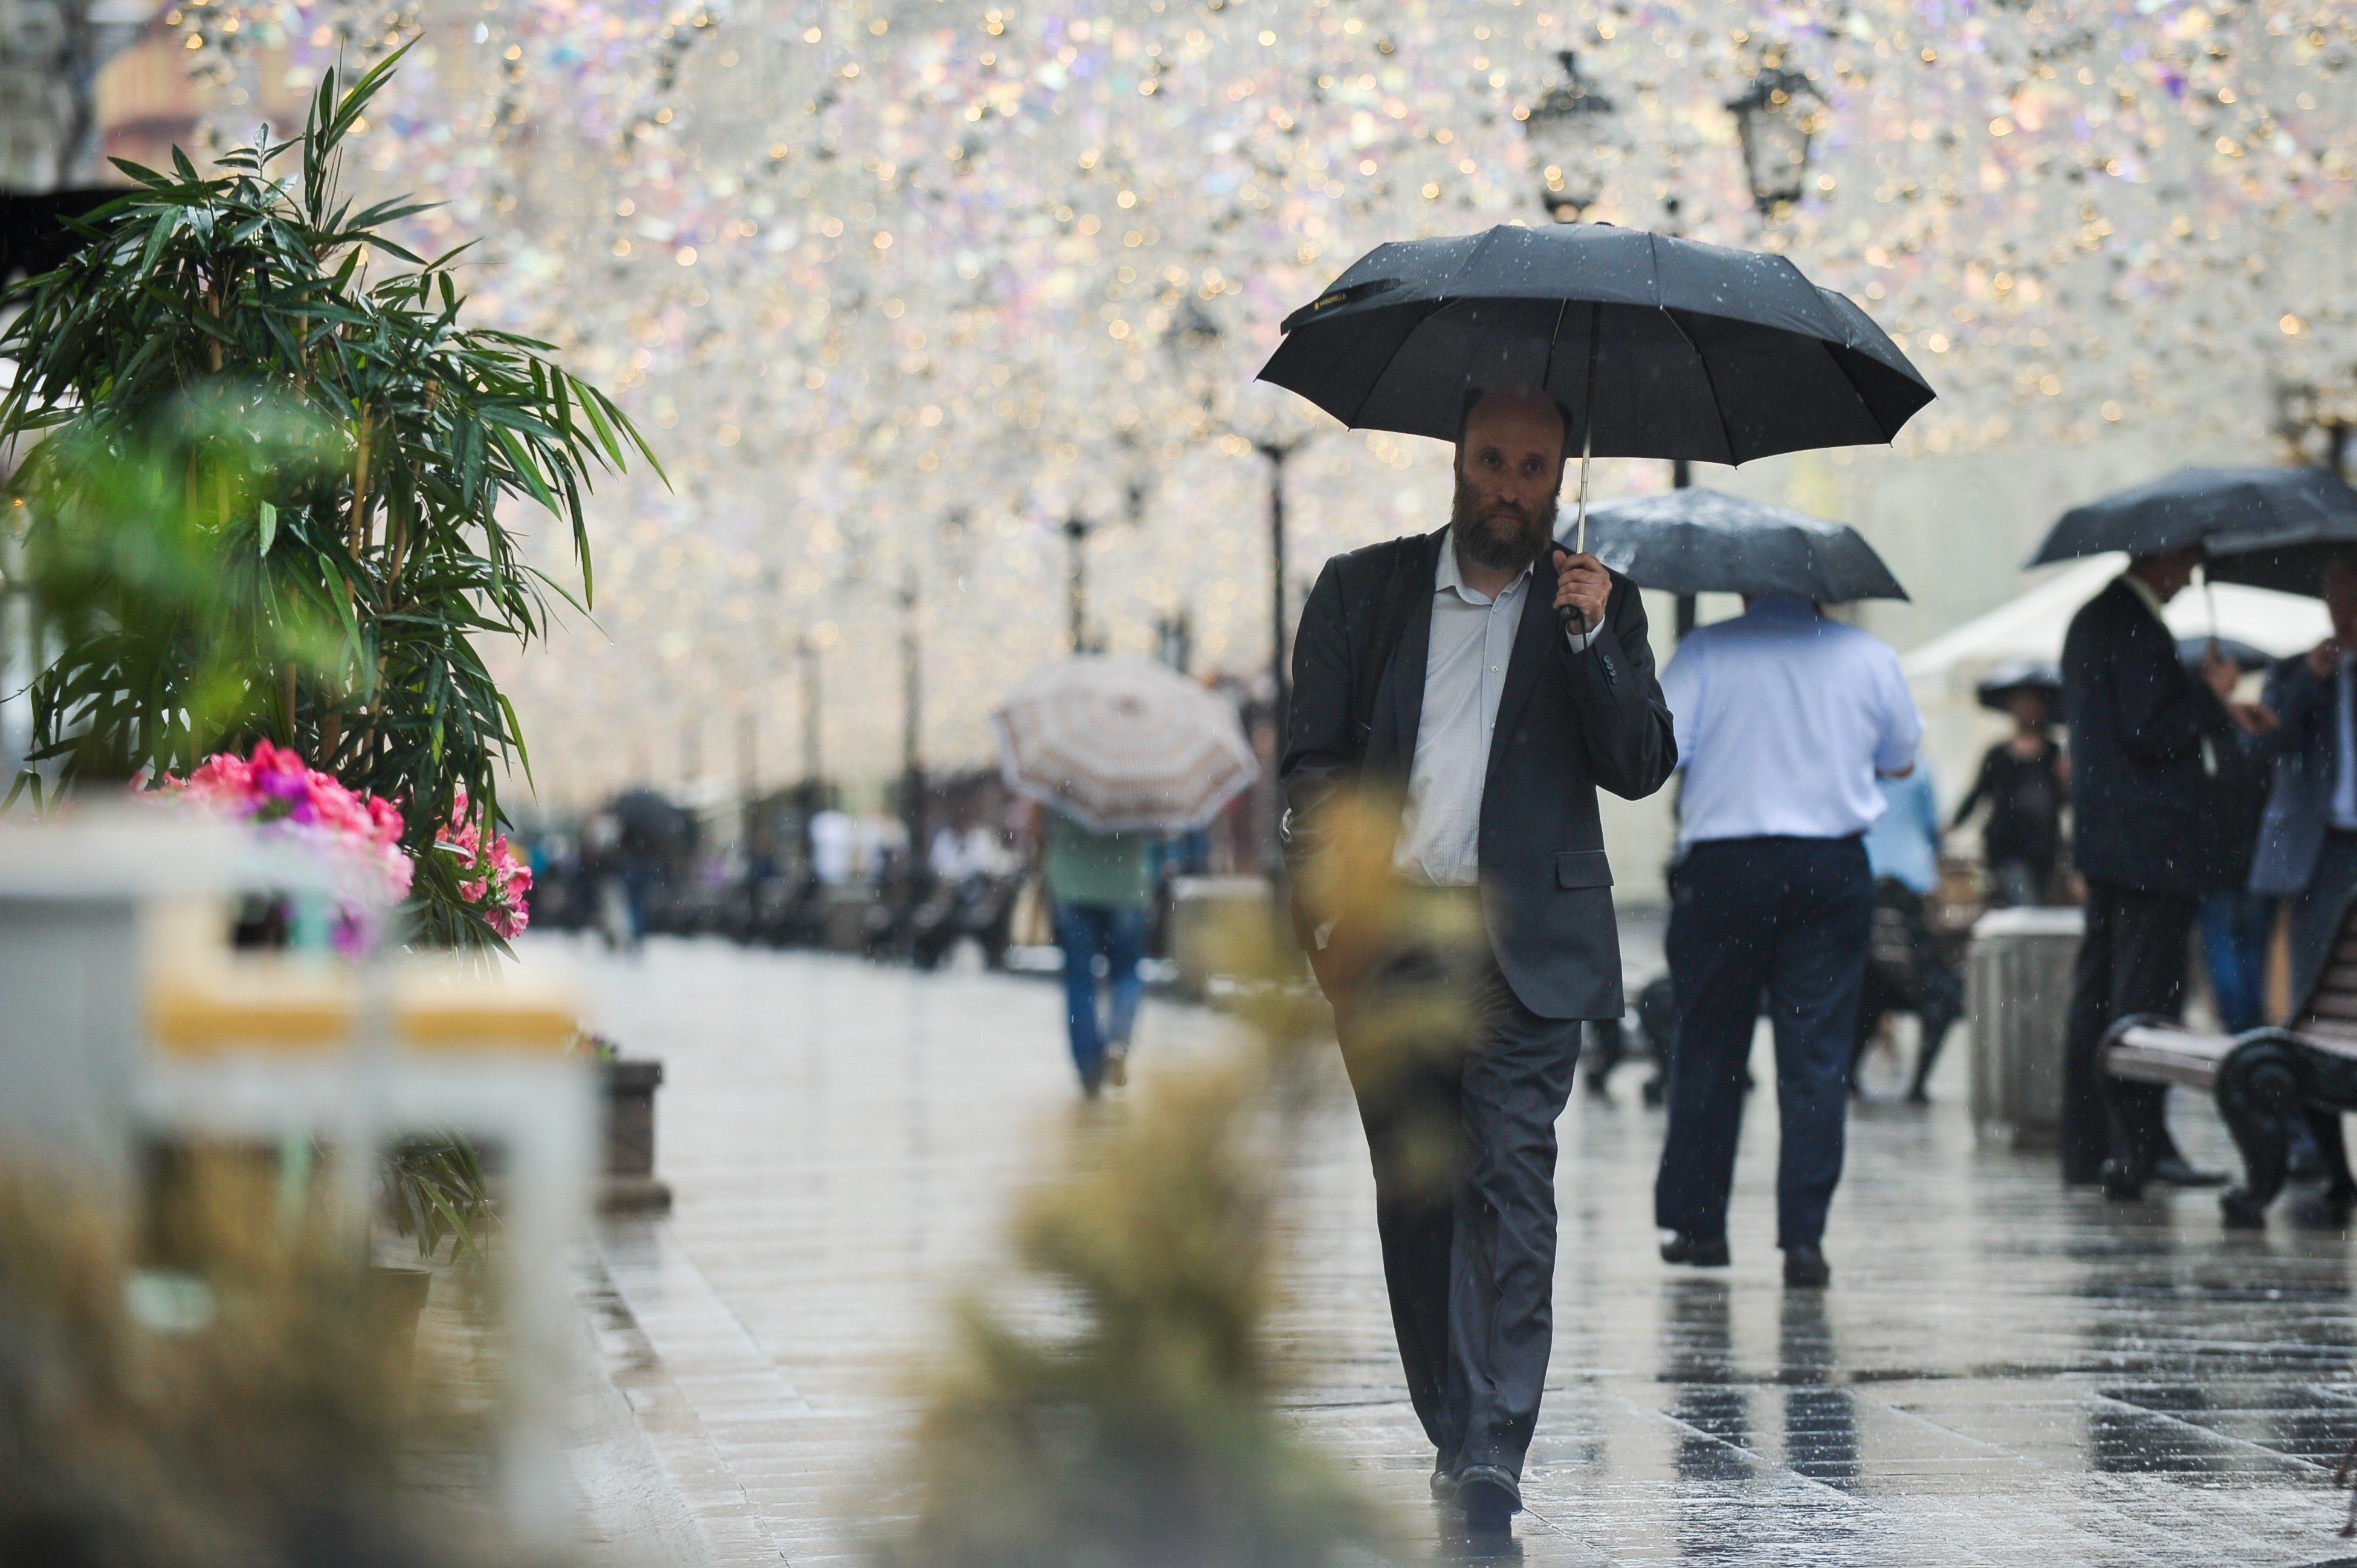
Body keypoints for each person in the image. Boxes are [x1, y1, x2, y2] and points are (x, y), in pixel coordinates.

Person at [1282, 384, 1674, 1535]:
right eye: (1492, 461)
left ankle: (1494, 1444)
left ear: (1563, 479)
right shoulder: (1364, 592)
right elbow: (1310, 762)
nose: (1509, 486)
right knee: (1421, 1197)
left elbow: (1642, 763)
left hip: (1525, 950)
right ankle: (1456, 1424)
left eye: (1533, 468)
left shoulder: (1596, 604)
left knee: (1510, 1179)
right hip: (1390, 937)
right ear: (1457, 461)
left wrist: (1597, 639)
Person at [1651, 596, 1922, 1289]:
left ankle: (1699, 1225)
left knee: (1710, 1044)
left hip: (1725, 866)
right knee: (1817, 1055)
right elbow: (1901, 758)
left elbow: (1662, 746)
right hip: (1830, 867)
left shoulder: (1709, 651)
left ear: (1744, 587)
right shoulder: (1867, 655)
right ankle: (1804, 1238)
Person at [2057, 547, 2271, 1193]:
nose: (2197, 568)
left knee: (2099, 995)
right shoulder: (2132, 624)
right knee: (2143, 1001)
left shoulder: (2097, 617)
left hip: (2112, 841)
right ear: (2162, 557)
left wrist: (2210, 704)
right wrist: (2211, 698)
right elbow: (2152, 731)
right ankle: (2140, 1147)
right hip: (2151, 845)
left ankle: (2092, 1145)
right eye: (2189, 556)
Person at [1854, 764, 1965, 1103]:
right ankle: (1918, 1084)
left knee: (1864, 990)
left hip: (1860, 885)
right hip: (1909, 894)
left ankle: (1848, 1077)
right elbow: (1934, 831)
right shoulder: (1917, 773)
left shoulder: (1855, 770)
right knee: (1944, 995)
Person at [1042, 807, 1154, 1097]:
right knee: (1127, 972)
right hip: (1126, 884)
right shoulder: (1140, 773)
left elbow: (1036, 827)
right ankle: (1117, 1042)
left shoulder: (1067, 767)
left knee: (1080, 981)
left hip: (1073, 884)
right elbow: (1161, 831)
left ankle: (1088, 1066)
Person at [1952, 685, 2068, 906]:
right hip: (2008, 847)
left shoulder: (2054, 754)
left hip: (2045, 849)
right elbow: (1979, 793)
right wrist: (1955, 824)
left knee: (2038, 908)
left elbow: (2064, 800)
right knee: (2026, 907)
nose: (2028, 711)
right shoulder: (1998, 755)